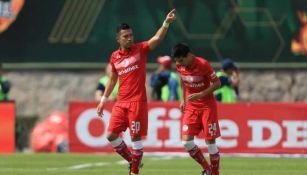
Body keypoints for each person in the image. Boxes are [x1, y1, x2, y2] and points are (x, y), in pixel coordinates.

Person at [96, 9, 176, 175]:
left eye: (131, 35)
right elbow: (112, 79)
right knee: (111, 135)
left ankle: (134, 172)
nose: (130, 38)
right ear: (118, 39)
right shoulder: (114, 57)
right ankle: (133, 162)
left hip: (137, 102)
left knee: (136, 139)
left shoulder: (140, 49)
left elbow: (157, 38)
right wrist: (103, 100)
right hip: (120, 103)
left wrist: (166, 23)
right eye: (126, 36)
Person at [172, 43, 221, 175]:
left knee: (210, 142)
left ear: (188, 56)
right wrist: (182, 99)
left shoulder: (203, 64)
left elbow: (217, 83)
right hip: (191, 107)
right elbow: (183, 80)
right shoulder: (180, 65)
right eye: (177, 61)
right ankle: (207, 169)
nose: (179, 63)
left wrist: (201, 94)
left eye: (181, 60)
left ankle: (215, 172)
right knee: (186, 141)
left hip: (207, 106)